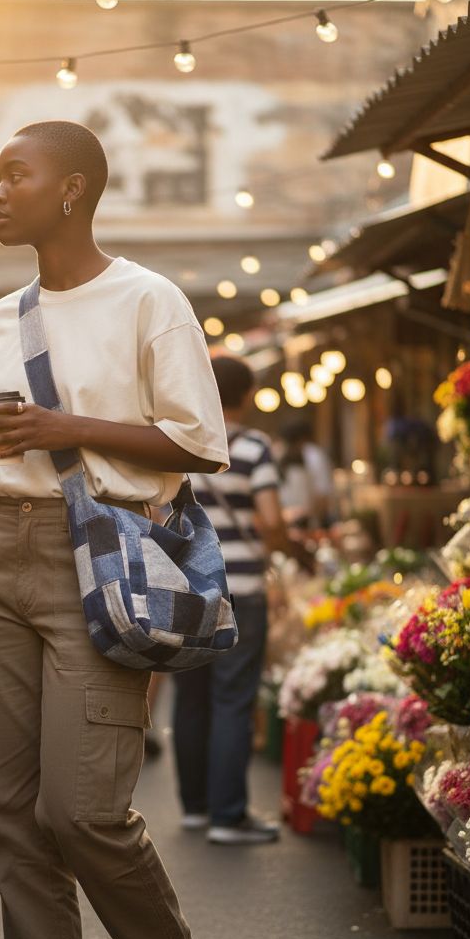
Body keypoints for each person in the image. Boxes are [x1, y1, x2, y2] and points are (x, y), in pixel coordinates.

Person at [0, 120, 229, 939]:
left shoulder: (148, 299)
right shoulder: (0, 316)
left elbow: (199, 441)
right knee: (8, 814)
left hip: (100, 552)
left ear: (70, 190)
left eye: (13, 175)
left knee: (80, 809)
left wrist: (68, 427)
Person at [173, 355, 313, 845]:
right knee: (232, 699)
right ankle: (228, 815)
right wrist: (286, 547)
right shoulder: (253, 446)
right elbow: (272, 521)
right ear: (247, 395)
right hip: (241, 590)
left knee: (189, 698)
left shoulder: (179, 440)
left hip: (188, 587)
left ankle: (194, 806)